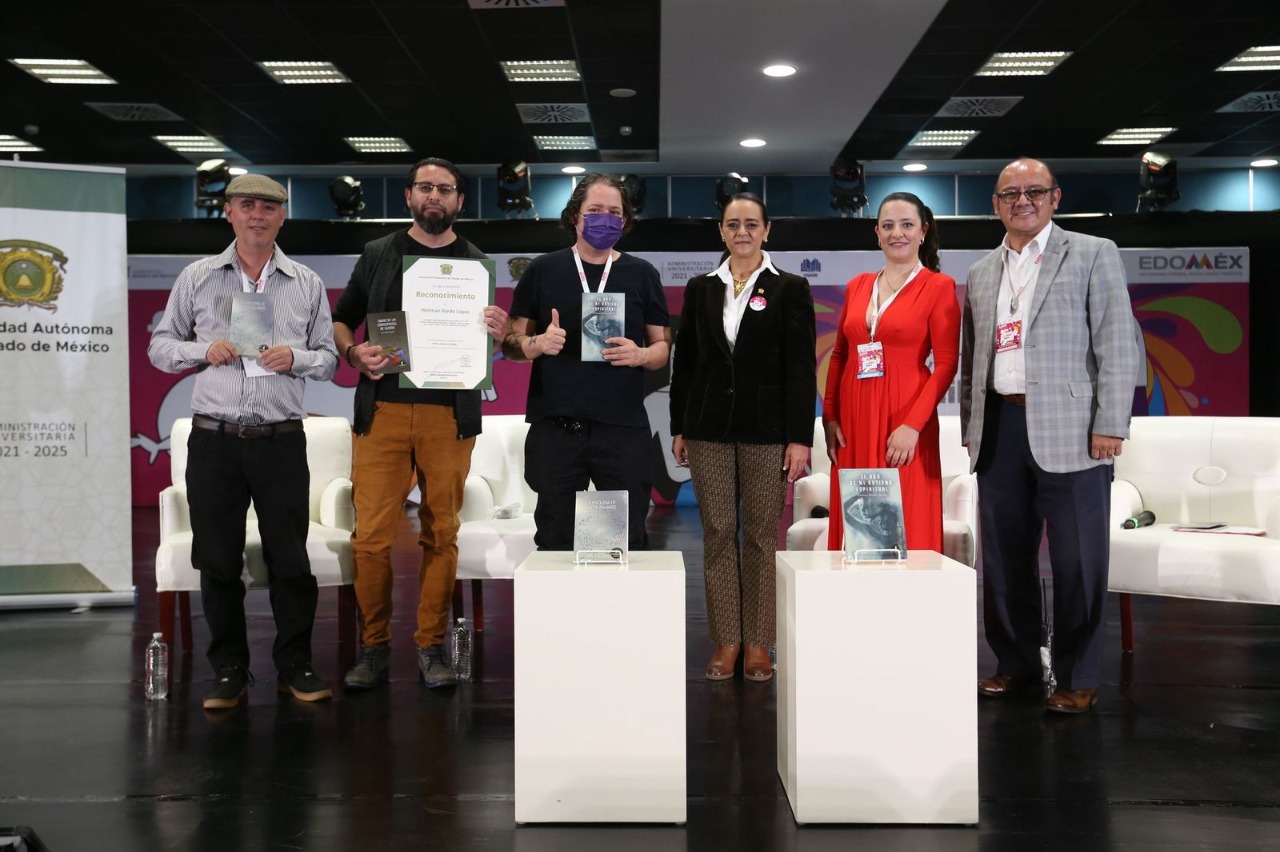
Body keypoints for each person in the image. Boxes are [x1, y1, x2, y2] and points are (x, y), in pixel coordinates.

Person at [148, 174, 339, 710]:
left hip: (280, 441)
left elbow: (327, 358)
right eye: (246, 205)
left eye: (269, 207)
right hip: (215, 441)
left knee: (290, 561)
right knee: (217, 559)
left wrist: (296, 358)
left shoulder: (306, 282)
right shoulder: (198, 277)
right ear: (228, 213)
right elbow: (160, 347)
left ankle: (295, 664)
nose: (258, 215)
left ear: (283, 217)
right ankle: (229, 668)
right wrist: (200, 350)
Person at [961, 157, 1141, 714]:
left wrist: (1111, 422)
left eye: (1034, 191)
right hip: (1000, 428)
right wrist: (973, 428)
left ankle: (1077, 674)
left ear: (1055, 198)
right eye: (1009, 193)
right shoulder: (982, 271)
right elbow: (975, 359)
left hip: (1074, 431)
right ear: (995, 204)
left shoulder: (1092, 252)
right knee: (1005, 559)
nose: (1022, 200)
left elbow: (1117, 344)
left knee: (1078, 561)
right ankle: (1013, 663)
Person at [332, 157, 508, 690]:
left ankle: (431, 646)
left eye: (446, 189)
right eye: (425, 187)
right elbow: (343, 318)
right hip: (383, 410)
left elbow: (487, 344)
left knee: (442, 533)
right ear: (409, 195)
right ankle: (374, 647)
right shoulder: (378, 255)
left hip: (448, 414)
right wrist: (353, 353)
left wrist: (497, 332)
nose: (435, 196)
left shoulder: (476, 265)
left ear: (459, 201)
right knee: (370, 538)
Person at [669, 193, 815, 682]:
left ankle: (758, 642)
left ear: (767, 230)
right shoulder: (700, 289)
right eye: (733, 224)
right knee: (715, 536)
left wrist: (799, 438)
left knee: (758, 538)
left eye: (752, 224)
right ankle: (727, 639)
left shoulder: (791, 289)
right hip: (707, 430)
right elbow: (684, 364)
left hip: (768, 432)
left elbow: (800, 370)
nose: (742, 232)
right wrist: (679, 426)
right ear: (721, 231)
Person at [503, 173, 671, 551]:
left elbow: (662, 346)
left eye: (614, 212)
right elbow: (511, 343)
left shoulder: (642, 273)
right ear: (575, 215)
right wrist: (537, 343)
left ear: (625, 221)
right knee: (557, 541)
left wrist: (641, 354)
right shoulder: (543, 269)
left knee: (620, 543)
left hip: (622, 429)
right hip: (558, 428)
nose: (604, 218)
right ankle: (559, 611)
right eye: (595, 210)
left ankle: (614, 610)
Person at [823, 192, 961, 555]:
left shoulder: (938, 286)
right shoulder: (857, 285)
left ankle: (907, 605)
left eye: (906, 225)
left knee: (905, 517)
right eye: (888, 226)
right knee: (858, 520)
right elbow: (839, 354)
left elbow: (946, 362)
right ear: (877, 232)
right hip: (853, 420)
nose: (897, 233)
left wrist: (914, 425)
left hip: (904, 419)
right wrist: (830, 417)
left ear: (923, 231)